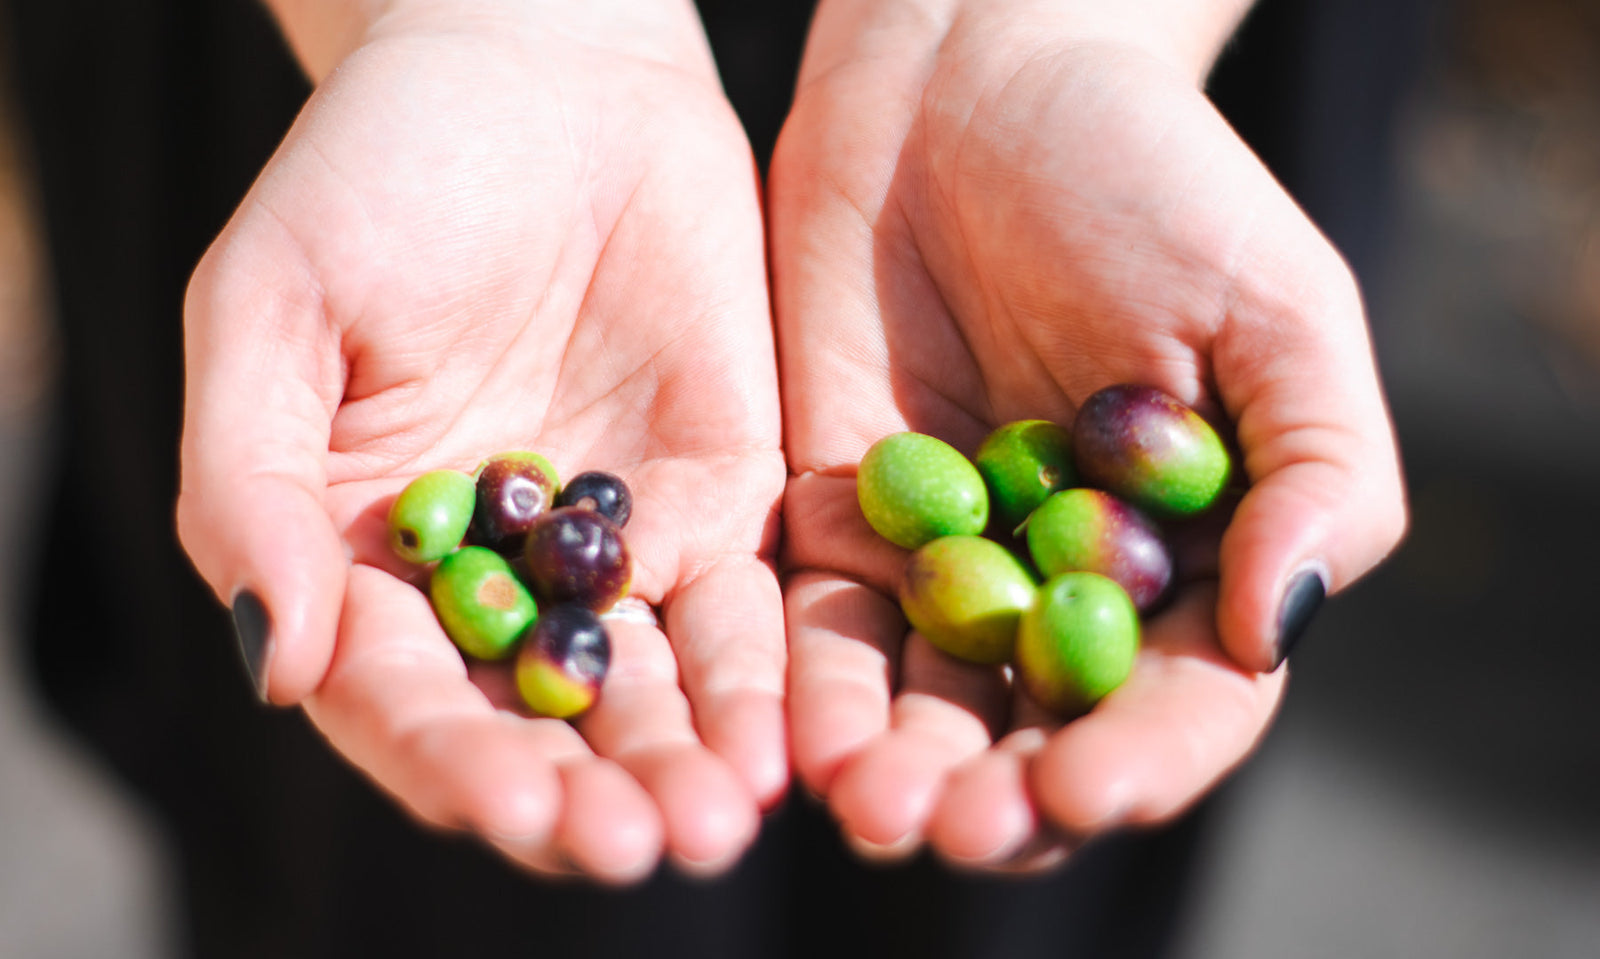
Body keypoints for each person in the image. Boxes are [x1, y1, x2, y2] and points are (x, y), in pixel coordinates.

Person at [19, 0, 1407, 952]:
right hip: (369, 92)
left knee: (1000, 900)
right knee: (419, 906)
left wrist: (1050, 26)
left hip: (1091, 121)